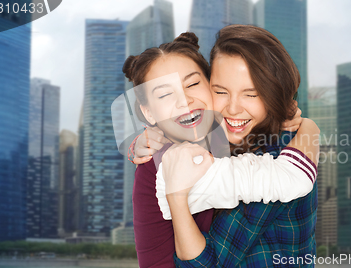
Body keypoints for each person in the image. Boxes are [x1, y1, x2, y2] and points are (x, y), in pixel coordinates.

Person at [122, 31, 318, 267]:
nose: (184, 101)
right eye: (222, 91)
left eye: (193, 84)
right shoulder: (157, 162)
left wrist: (310, 127)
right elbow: (154, 259)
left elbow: (209, 263)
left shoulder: (272, 154)